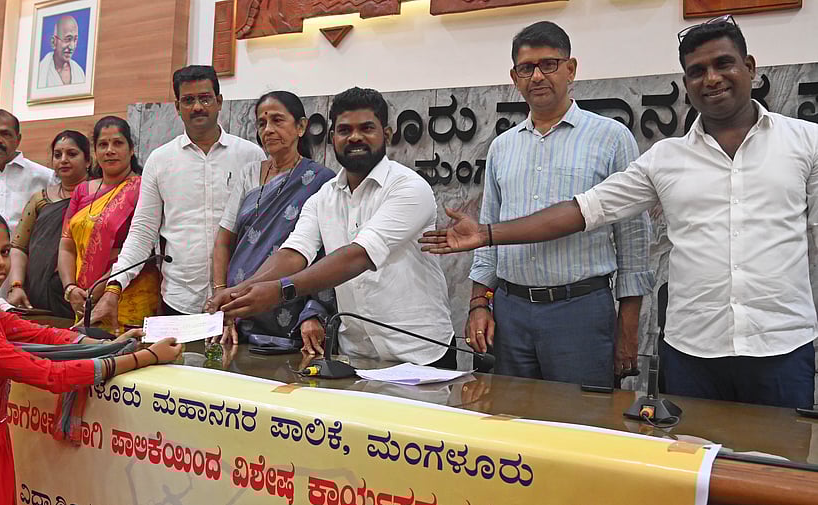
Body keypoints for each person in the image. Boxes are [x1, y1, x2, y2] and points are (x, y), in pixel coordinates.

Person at [421, 16, 817, 408]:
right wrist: (484, 265)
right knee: (689, 460)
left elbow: (631, 237)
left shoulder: (805, 143)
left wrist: (628, 324)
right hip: (682, 347)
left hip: (776, 344)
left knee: (781, 464)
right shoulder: (664, 158)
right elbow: (582, 210)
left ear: (750, 68)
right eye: (697, 71)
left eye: (723, 64)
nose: (711, 79)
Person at [0, 207, 182, 505]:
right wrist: (144, 358)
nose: (0, 263)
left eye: (5, 251)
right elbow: (50, 375)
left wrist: (108, 344)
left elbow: (41, 335)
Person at [467, 22, 653, 387]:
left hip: (580, 312)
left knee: (579, 429)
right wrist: (478, 304)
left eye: (549, 64)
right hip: (511, 311)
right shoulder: (502, 147)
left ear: (571, 69)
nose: (537, 76)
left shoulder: (611, 138)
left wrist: (628, 329)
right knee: (513, 427)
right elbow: (486, 237)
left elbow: (633, 239)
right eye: (527, 68)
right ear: (514, 77)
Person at [213, 87, 456, 366]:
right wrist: (241, 292)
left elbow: (359, 255)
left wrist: (280, 291)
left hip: (419, 351)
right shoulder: (323, 197)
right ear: (332, 138)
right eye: (344, 130)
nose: (355, 137)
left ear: (386, 135)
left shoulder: (409, 188)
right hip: (358, 353)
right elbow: (294, 253)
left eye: (366, 128)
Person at [91, 65, 265, 329]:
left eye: (205, 98)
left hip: (242, 298)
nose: (197, 107)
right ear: (177, 106)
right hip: (180, 300)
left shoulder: (251, 156)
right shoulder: (160, 160)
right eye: (188, 100)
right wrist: (114, 287)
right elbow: (142, 233)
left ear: (219, 102)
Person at [205, 91, 336, 348]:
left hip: (290, 313)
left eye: (278, 121)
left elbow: (326, 256)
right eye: (262, 123)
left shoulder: (322, 181)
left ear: (301, 127)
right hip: (237, 310)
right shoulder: (249, 174)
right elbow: (224, 240)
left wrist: (314, 310)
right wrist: (223, 294)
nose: (268, 130)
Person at [57, 117, 161, 333]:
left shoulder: (143, 188)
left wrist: (97, 290)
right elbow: (66, 245)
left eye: (118, 143)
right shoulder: (82, 191)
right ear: (94, 151)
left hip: (130, 295)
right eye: (103, 144)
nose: (110, 150)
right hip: (82, 299)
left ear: (131, 150)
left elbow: (142, 247)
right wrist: (70, 289)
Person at [6, 130, 91, 317]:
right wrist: (16, 286)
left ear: (88, 161)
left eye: (72, 154)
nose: (63, 160)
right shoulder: (41, 199)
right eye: (58, 155)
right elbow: (18, 246)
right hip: (37, 293)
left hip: (83, 295)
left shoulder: (101, 197)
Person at [37, 15, 86, 88]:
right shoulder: (41, 71)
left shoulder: (78, 72)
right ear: (54, 42)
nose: (72, 46)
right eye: (67, 39)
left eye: (75, 40)